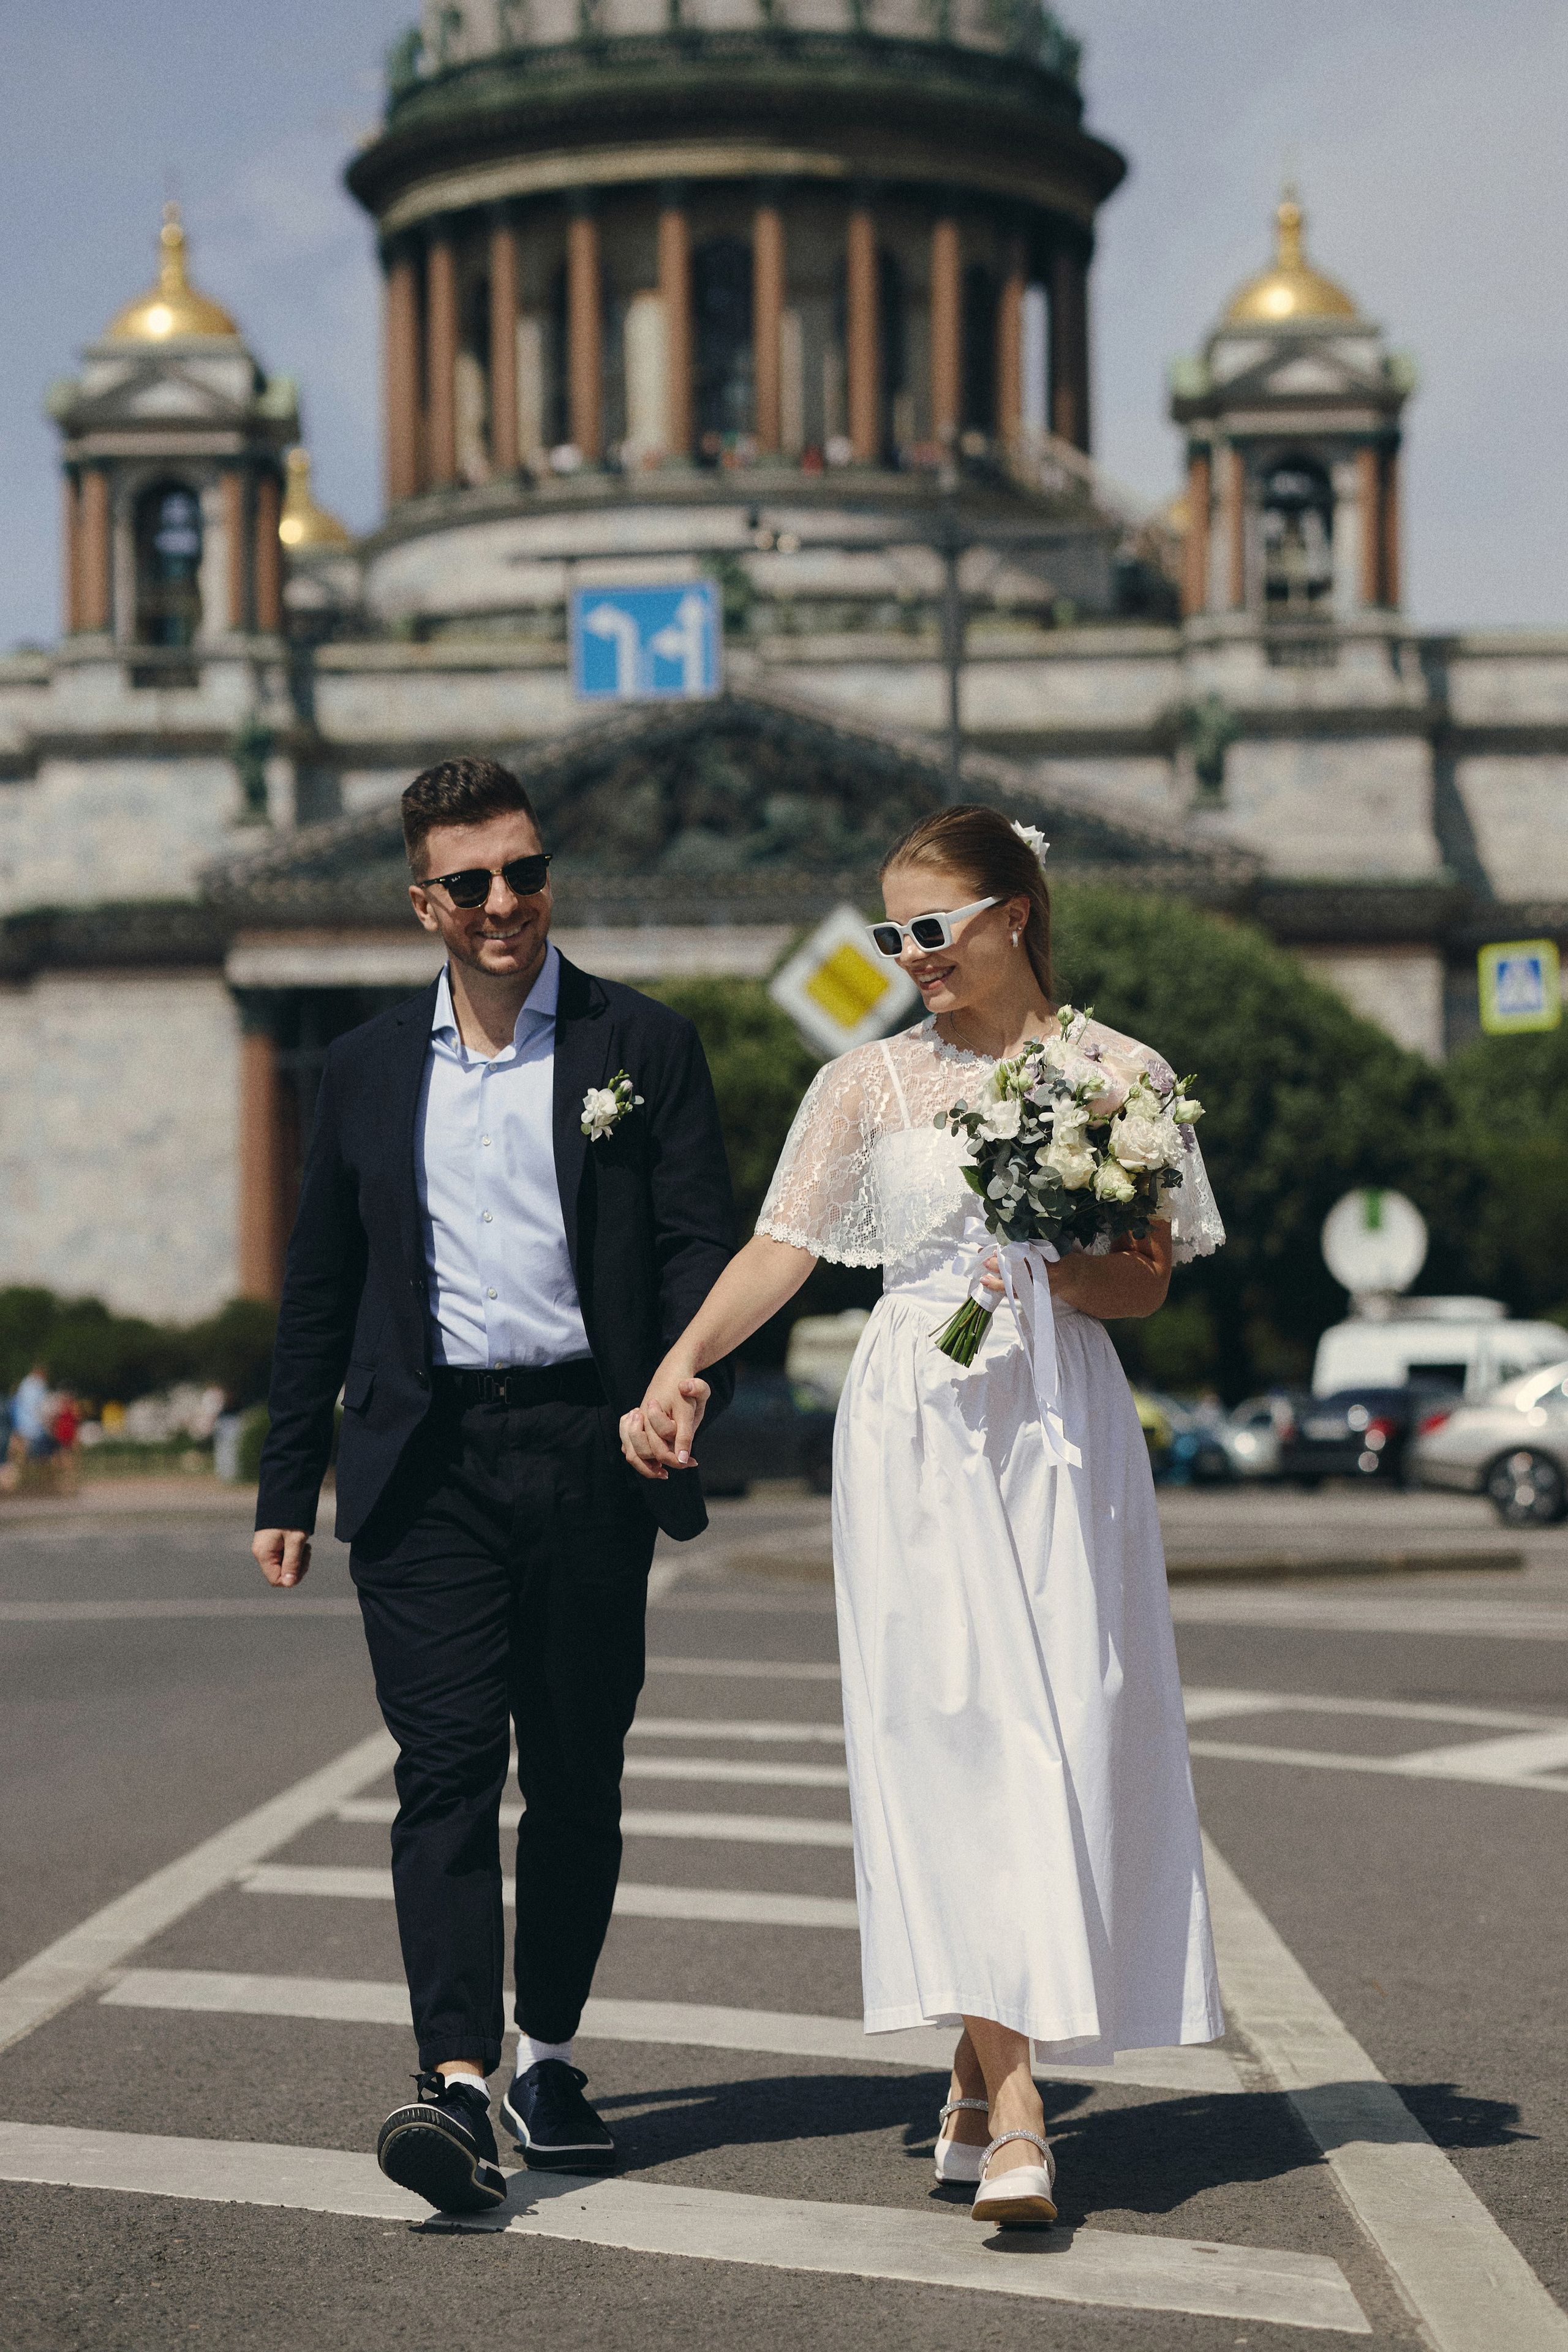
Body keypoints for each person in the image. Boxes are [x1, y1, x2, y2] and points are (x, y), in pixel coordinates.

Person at [622, 803, 1225, 2231]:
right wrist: (680, 1359)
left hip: (1059, 1420)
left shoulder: (1118, 1075)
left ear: (1012, 915)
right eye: (890, 935)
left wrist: (1063, 1264)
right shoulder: (862, 1085)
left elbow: (1146, 1279)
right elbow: (784, 1245)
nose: (908, 958)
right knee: (956, 1734)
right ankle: (1017, 2110)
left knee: (1066, 1729)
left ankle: (971, 2070)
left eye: (929, 930)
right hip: (912, 1419)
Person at [251, 756, 736, 2215]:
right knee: (448, 1772)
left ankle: (548, 2058)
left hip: (592, 1450)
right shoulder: (362, 1071)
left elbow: (693, 1244)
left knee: (575, 1774)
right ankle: (454, 2083)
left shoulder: (641, 1042)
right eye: (471, 883)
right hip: (427, 1461)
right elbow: (318, 1286)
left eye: (523, 872)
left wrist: (681, 1378)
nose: (505, 902)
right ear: (424, 904)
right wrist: (288, 1479)